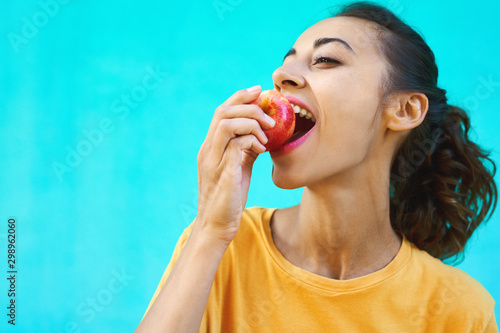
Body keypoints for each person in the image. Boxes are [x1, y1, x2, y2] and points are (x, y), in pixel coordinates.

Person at [135, 1, 498, 332]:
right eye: (287, 60)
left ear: (404, 110)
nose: (281, 75)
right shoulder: (220, 248)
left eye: (326, 60)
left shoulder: (458, 310)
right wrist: (210, 230)